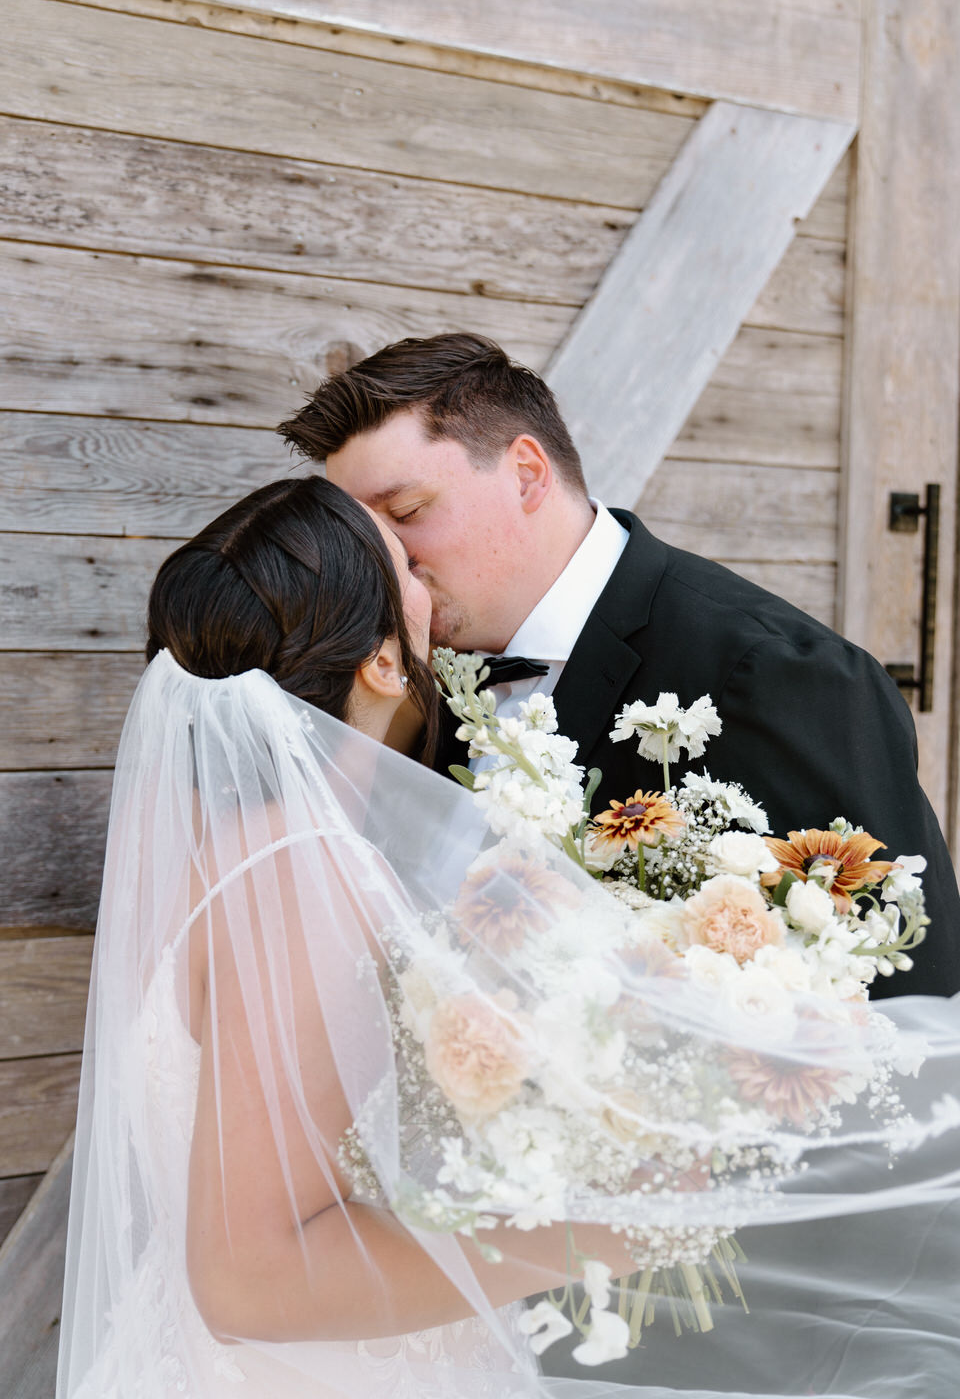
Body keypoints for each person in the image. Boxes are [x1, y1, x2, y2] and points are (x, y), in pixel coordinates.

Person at [59, 476, 960, 1399]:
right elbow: (248, 1281)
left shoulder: (252, 850)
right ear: (379, 662)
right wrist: (610, 1225)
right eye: (407, 564)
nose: (434, 579)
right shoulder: (294, 874)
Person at [278, 332, 960, 1001]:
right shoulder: (410, 678)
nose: (384, 562)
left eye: (406, 513)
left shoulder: (775, 674)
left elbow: (908, 1002)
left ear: (526, 475)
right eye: (363, 537)